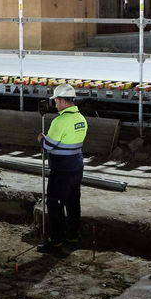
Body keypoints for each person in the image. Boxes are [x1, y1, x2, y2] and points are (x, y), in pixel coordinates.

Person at [37, 83, 88, 255]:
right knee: (73, 203)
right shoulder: (81, 119)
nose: (55, 105)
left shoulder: (60, 121)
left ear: (63, 101)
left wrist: (41, 140)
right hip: (76, 167)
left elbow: (49, 146)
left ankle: (56, 242)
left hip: (62, 170)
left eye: (56, 101)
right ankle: (72, 236)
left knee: (54, 203)